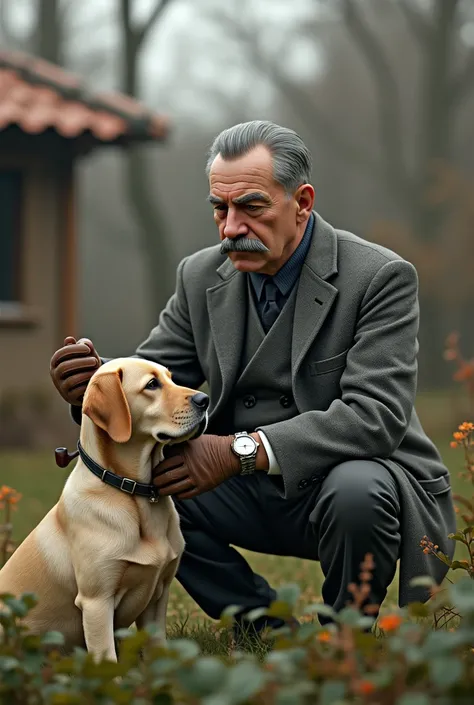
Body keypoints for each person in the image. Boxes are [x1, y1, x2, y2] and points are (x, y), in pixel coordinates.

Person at [50, 120, 456, 635]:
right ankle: (263, 623)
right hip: (240, 494)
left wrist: (234, 452)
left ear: (302, 202)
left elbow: (376, 418)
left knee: (359, 490)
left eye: (252, 207)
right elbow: (147, 384)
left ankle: (344, 638)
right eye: (221, 209)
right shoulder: (198, 276)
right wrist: (89, 387)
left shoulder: (379, 277)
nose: (231, 228)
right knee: (144, 476)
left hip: (345, 486)